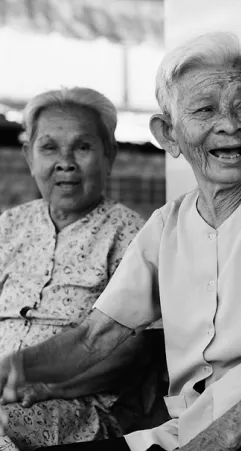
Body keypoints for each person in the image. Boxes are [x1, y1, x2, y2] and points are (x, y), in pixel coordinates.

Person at [0, 31, 241, 451]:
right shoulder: (166, 225)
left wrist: (220, 438)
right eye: (205, 110)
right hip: (185, 432)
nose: (229, 125)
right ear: (169, 135)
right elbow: (92, 338)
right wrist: (16, 366)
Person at [0, 87, 146, 450]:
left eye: (82, 147)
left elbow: (137, 349)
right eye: (49, 148)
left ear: (109, 156)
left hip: (75, 403)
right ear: (29, 158)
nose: (65, 162)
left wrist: (49, 385)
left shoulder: (132, 235)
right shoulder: (9, 226)